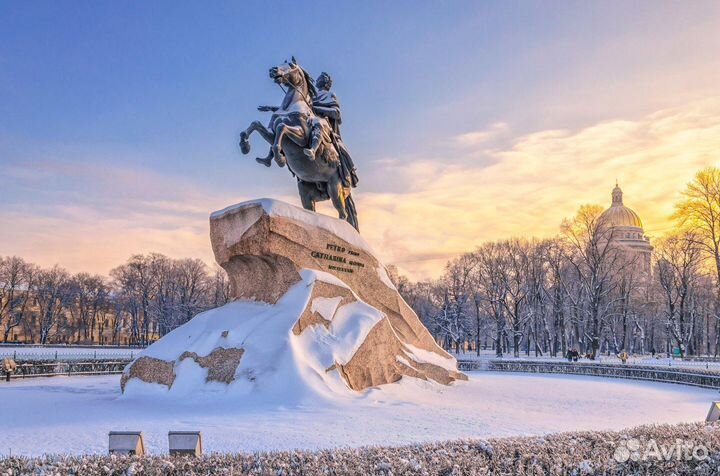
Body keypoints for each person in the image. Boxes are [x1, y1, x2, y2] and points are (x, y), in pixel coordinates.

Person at [309, 72, 359, 188]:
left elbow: (336, 113)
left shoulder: (330, 95)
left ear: (327, 84)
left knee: (342, 150)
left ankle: (350, 172)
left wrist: (315, 108)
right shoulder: (310, 96)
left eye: (323, 78)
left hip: (327, 129)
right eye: (319, 78)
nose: (319, 79)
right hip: (310, 125)